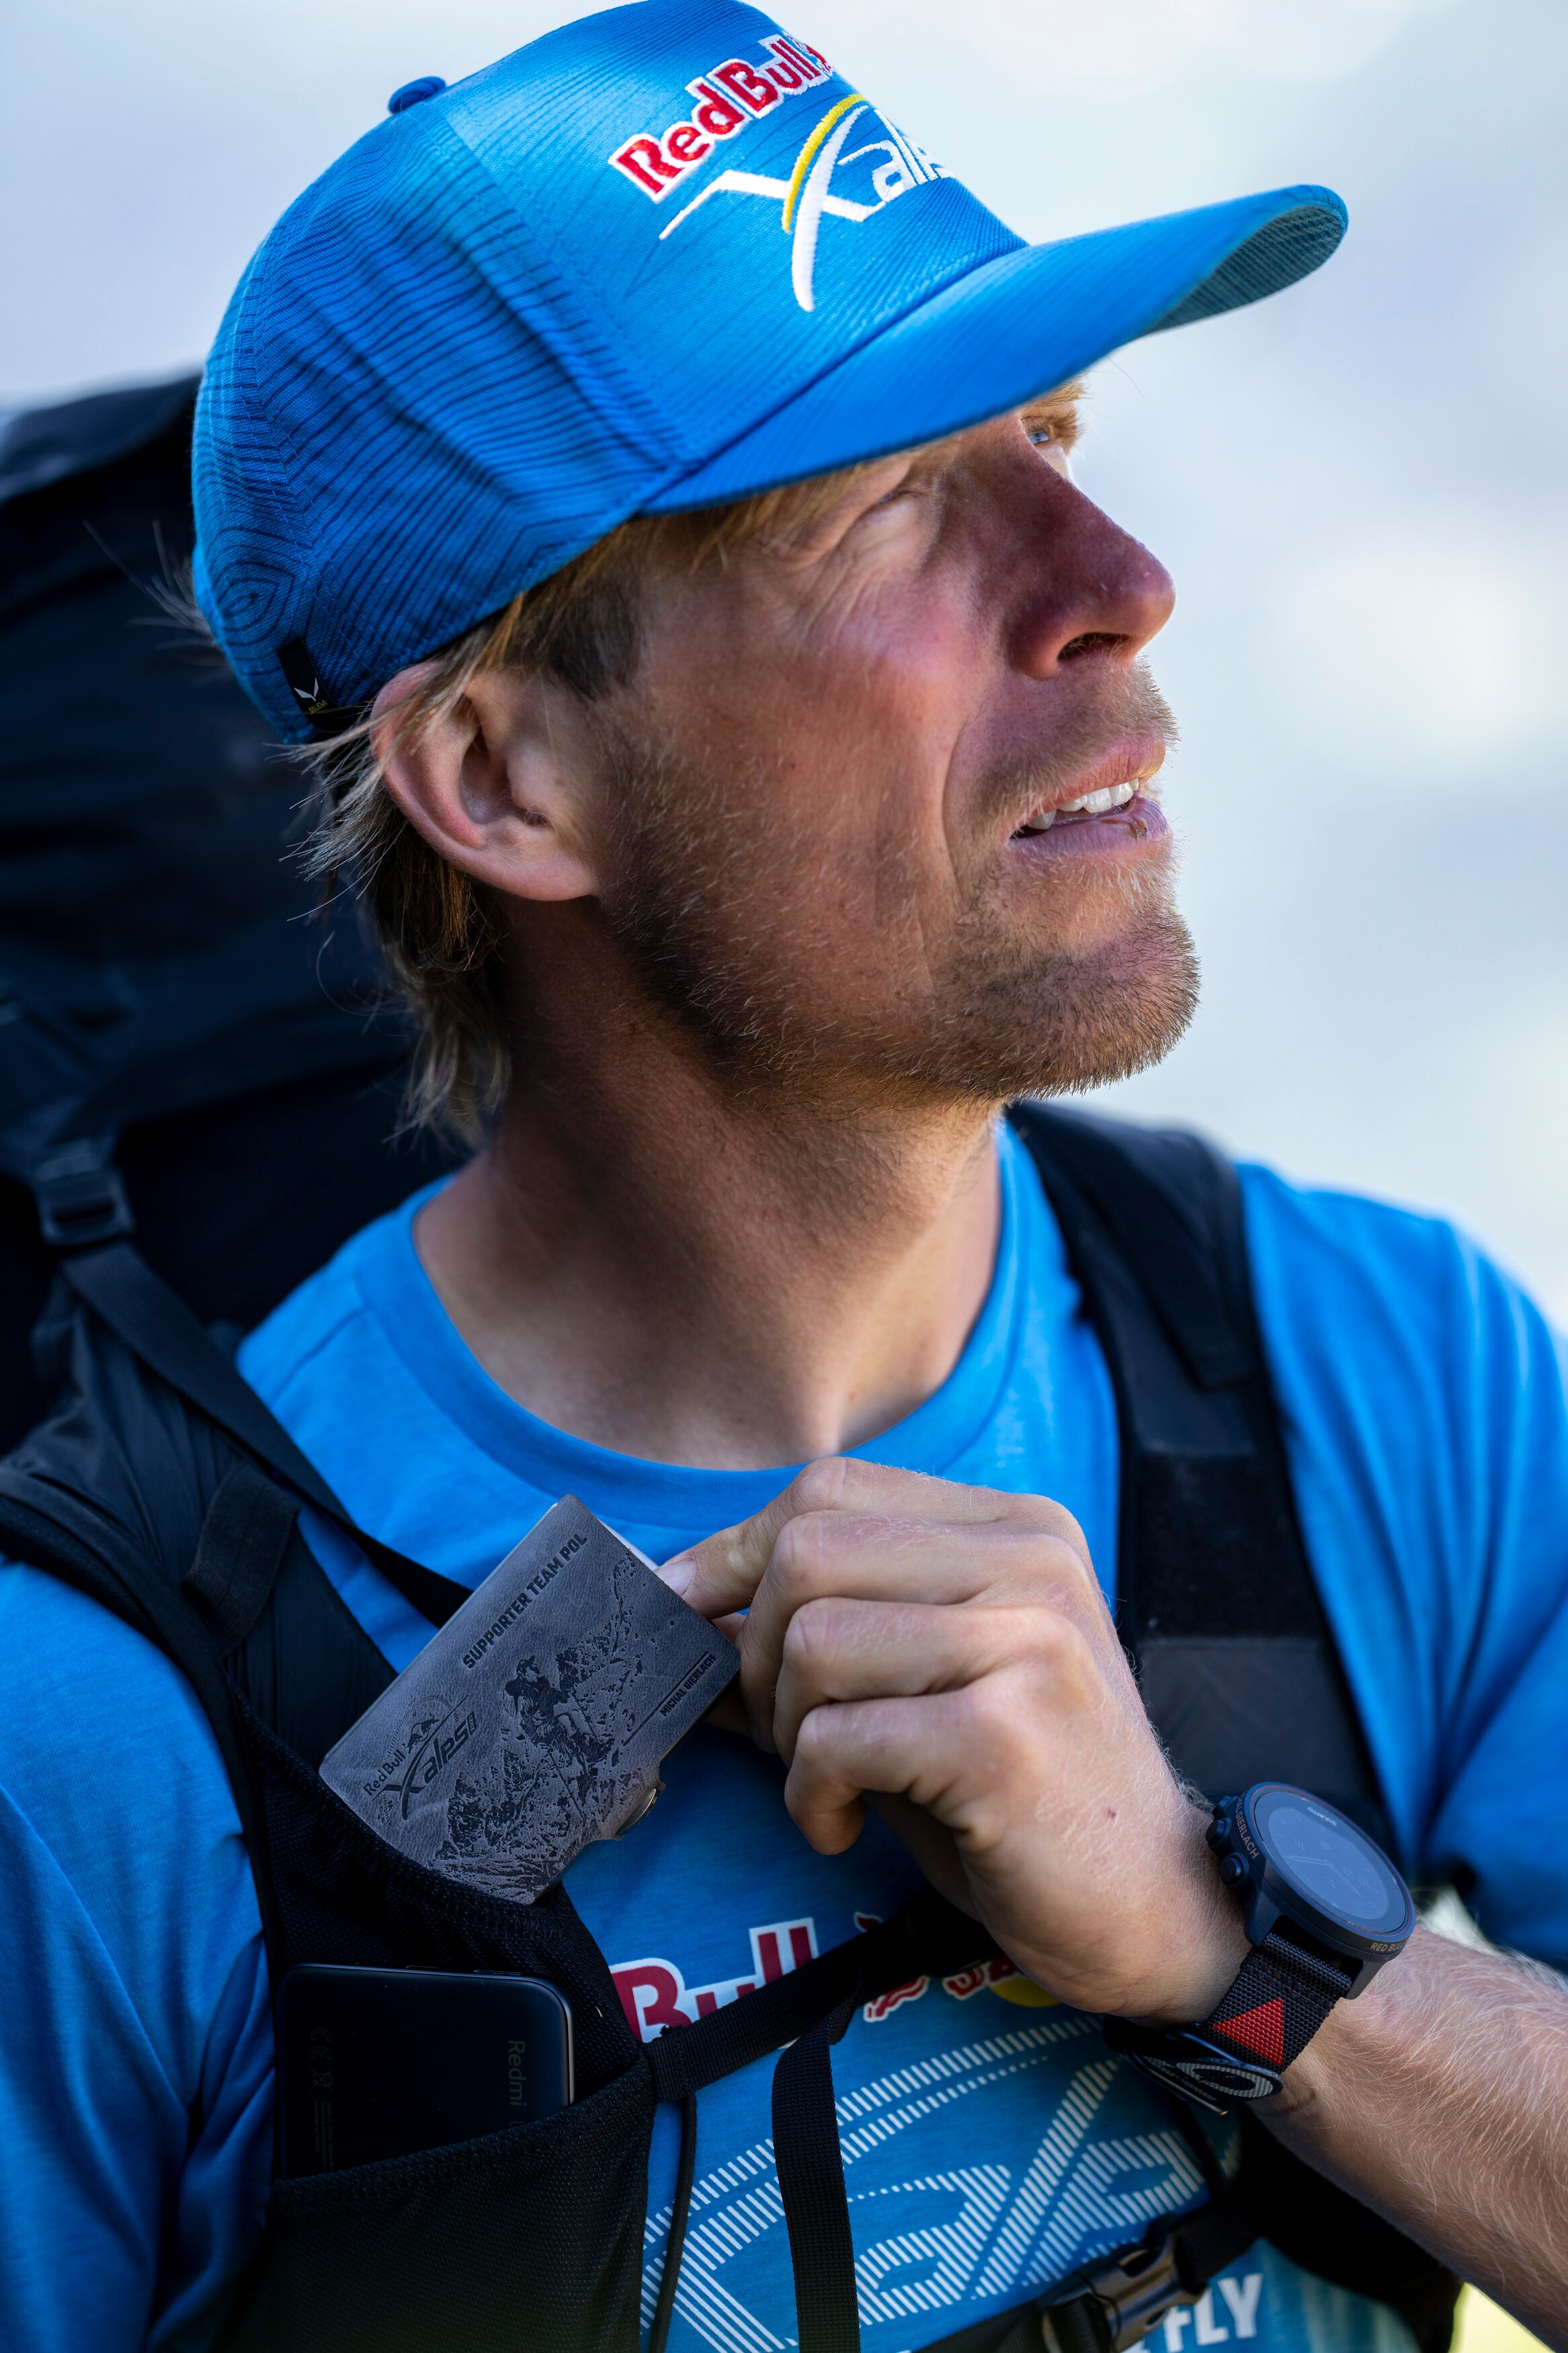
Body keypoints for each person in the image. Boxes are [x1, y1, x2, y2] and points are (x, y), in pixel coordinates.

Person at [1, 4, 1565, 2350]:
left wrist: (1235, 1949)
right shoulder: (101, 1730)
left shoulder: (1378, 1367)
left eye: (1051, 428)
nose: (1117, 574)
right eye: (896, 502)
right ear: (507, 776)